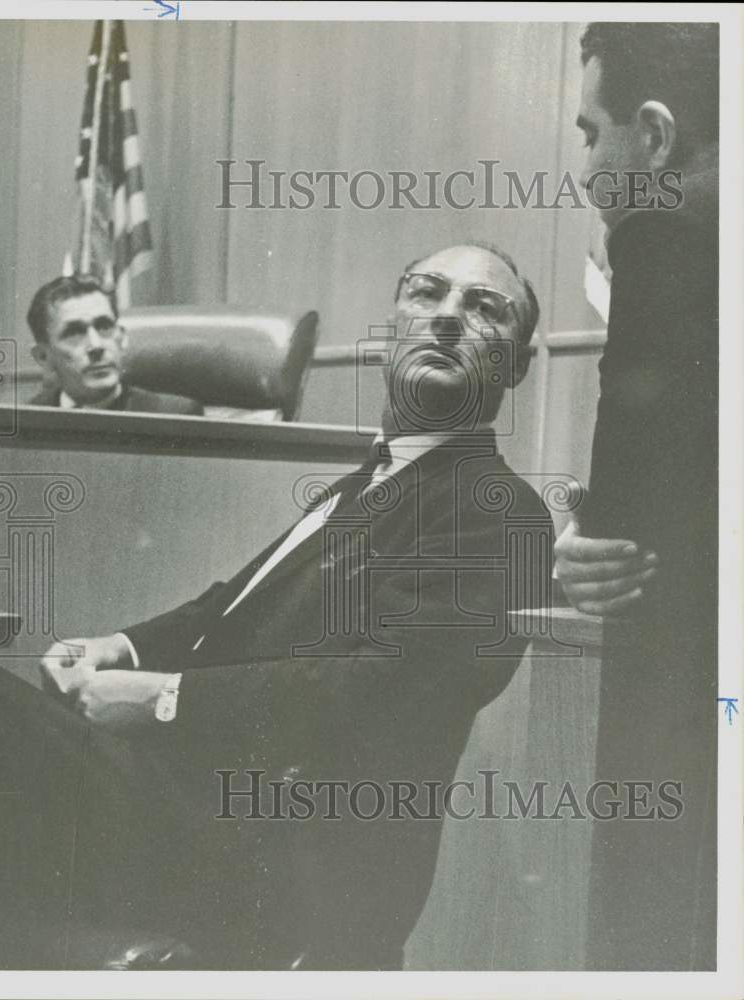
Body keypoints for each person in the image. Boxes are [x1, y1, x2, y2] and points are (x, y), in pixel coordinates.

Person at [35, 241, 552, 970]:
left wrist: (163, 700)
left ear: (517, 364)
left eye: (482, 308)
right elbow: (231, 606)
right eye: (426, 293)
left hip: (269, 853)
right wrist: (119, 647)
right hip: (198, 805)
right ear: (391, 330)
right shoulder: (369, 480)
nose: (445, 318)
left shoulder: (499, 512)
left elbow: (383, 685)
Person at [556, 23, 718, 969]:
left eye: (590, 132)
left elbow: (625, 545)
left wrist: (586, 529)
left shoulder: (668, 226)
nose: (585, 168)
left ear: (651, 136)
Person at [27, 273, 202, 414]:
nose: (96, 346)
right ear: (44, 357)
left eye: (104, 327)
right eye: (74, 333)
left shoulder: (174, 416)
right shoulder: (23, 421)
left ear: (122, 339)